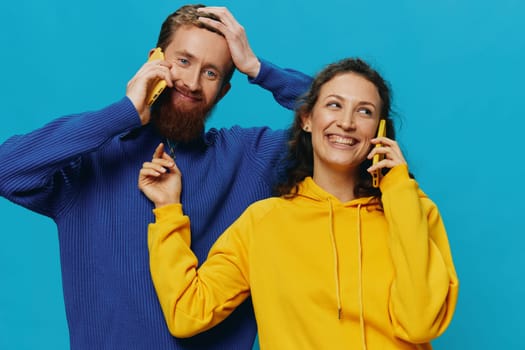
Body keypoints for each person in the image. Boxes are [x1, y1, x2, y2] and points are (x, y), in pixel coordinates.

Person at [0, 5, 312, 350]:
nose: (192, 83)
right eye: (183, 61)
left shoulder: (248, 158)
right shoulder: (92, 160)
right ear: (155, 60)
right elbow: (6, 169)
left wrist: (258, 68)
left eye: (211, 73)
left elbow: (355, 130)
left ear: (224, 90)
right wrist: (124, 113)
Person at [140, 57, 459, 349]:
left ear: (380, 130)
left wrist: (399, 189)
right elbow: (188, 312)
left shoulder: (413, 212)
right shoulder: (264, 222)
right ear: (307, 119)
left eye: (364, 111)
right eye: (334, 105)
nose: (347, 122)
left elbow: (419, 325)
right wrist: (168, 211)